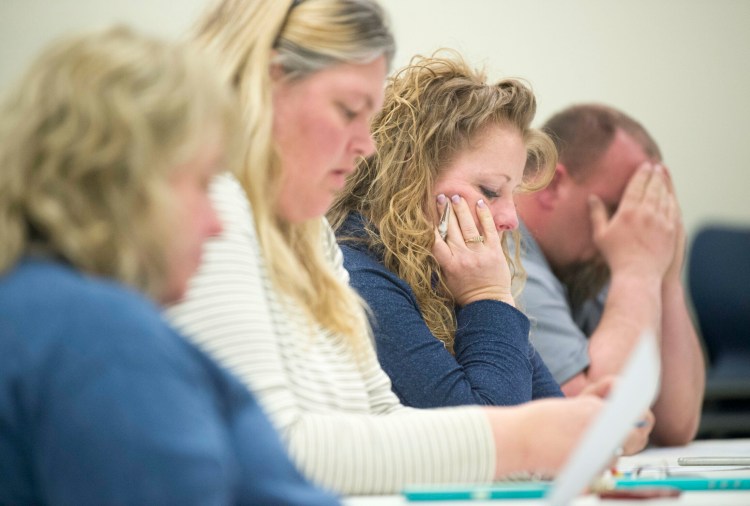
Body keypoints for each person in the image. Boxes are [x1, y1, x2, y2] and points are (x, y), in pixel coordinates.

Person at [167, 0, 621, 496]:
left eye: (371, 116)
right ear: (270, 87)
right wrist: (522, 437)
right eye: (347, 111)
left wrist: (559, 433)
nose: (366, 143)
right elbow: (276, 449)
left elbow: (382, 418)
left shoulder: (311, 235)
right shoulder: (215, 213)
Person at [0, 26, 338, 505]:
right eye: (203, 183)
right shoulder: (100, 337)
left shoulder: (35, 308)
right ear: (124, 183)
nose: (216, 224)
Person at [327, 53, 563, 408]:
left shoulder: (440, 275)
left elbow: (553, 418)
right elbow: (490, 440)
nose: (511, 219)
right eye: (489, 191)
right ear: (411, 176)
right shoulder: (358, 278)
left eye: (512, 195)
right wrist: (488, 296)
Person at [515, 103, 706, 446]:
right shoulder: (509, 262)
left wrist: (665, 277)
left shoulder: (591, 260)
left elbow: (676, 425)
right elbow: (595, 430)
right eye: (620, 208)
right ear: (554, 184)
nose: (636, 227)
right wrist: (637, 272)